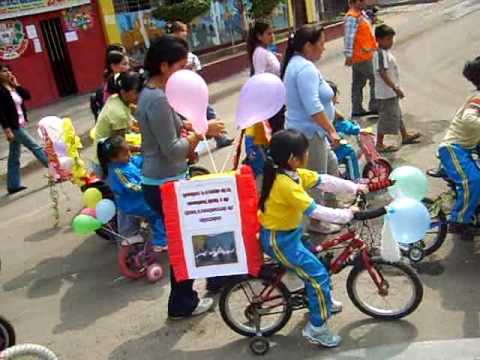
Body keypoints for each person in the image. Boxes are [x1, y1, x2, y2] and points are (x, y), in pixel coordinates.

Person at [136, 35, 226, 319]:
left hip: (164, 180)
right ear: (164, 66)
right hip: (164, 184)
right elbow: (173, 150)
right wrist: (202, 131)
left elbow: (169, 133)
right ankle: (182, 303)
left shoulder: (155, 93)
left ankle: (215, 279)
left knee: (192, 236)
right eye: (181, 66)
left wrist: (188, 126)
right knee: (185, 244)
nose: (186, 72)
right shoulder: (158, 99)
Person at [259, 129, 366, 348]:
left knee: (321, 262)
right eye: (305, 152)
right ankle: (317, 329)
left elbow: (323, 180)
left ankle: (321, 300)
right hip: (279, 241)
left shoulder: (291, 174)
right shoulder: (285, 185)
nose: (307, 155)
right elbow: (315, 211)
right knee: (317, 276)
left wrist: (354, 186)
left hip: (291, 234)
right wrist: (347, 214)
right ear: (292, 158)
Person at [282, 25, 342, 233]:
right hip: (310, 133)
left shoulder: (298, 64)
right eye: (321, 45)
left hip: (310, 132)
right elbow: (313, 106)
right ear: (308, 46)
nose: (323, 49)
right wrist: (331, 130)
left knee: (332, 164)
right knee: (317, 177)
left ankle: (332, 207)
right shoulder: (304, 68)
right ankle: (316, 222)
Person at [94, 71, 144, 241]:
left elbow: (135, 118)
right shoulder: (118, 113)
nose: (139, 95)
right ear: (124, 92)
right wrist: (141, 148)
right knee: (127, 199)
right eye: (136, 92)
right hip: (110, 161)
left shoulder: (118, 99)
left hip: (110, 155)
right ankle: (127, 237)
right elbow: (121, 146)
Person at [170, 21, 233, 149]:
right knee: (187, 121)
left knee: (208, 112)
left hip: (193, 90)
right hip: (180, 94)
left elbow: (196, 72)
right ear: (175, 32)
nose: (185, 34)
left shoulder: (188, 53)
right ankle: (191, 148)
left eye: (186, 31)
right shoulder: (170, 53)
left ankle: (220, 136)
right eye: (183, 31)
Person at [97, 136, 167, 250]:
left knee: (155, 214)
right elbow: (132, 187)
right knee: (159, 211)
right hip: (134, 202)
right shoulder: (118, 172)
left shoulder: (125, 162)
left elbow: (137, 161)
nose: (129, 155)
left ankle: (158, 235)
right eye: (125, 154)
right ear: (114, 158)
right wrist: (151, 185)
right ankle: (160, 242)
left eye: (129, 151)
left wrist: (151, 156)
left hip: (137, 199)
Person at [438, 56, 480, 241]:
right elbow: (468, 119)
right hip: (454, 148)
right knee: (473, 180)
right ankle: (459, 221)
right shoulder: (478, 98)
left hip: (468, 146)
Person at [0, 64, 48, 194]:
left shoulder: (13, 87)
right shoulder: (0, 90)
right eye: (4, 71)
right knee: (35, 147)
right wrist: (7, 129)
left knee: (14, 155)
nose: (8, 73)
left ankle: (13, 184)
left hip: (20, 123)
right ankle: (56, 170)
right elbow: (1, 113)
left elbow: (27, 96)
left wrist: (17, 84)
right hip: (14, 127)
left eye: (9, 70)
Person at [373, 24, 420, 152]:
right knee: (385, 117)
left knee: (397, 114)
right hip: (386, 93)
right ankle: (379, 144)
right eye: (388, 39)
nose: (391, 42)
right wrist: (395, 88)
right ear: (379, 39)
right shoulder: (381, 54)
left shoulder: (385, 53)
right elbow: (382, 72)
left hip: (389, 92)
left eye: (391, 39)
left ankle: (405, 136)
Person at [244, 21, 283, 177]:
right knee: (274, 135)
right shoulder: (259, 53)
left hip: (275, 98)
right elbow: (259, 77)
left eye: (272, 32)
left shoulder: (266, 51)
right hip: (269, 102)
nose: (272, 36)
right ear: (259, 36)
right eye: (268, 33)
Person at [344, 0, 378, 117]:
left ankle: (357, 108)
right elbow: (349, 37)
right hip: (362, 56)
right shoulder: (352, 17)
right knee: (375, 78)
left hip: (364, 54)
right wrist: (348, 55)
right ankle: (375, 106)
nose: (365, 2)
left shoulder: (361, 14)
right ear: (356, 2)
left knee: (358, 82)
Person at [328, 81, 362, 180]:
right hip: (331, 149)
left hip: (325, 145)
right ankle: (355, 180)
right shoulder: (330, 112)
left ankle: (345, 174)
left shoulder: (322, 108)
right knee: (349, 152)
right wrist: (357, 129)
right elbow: (343, 126)